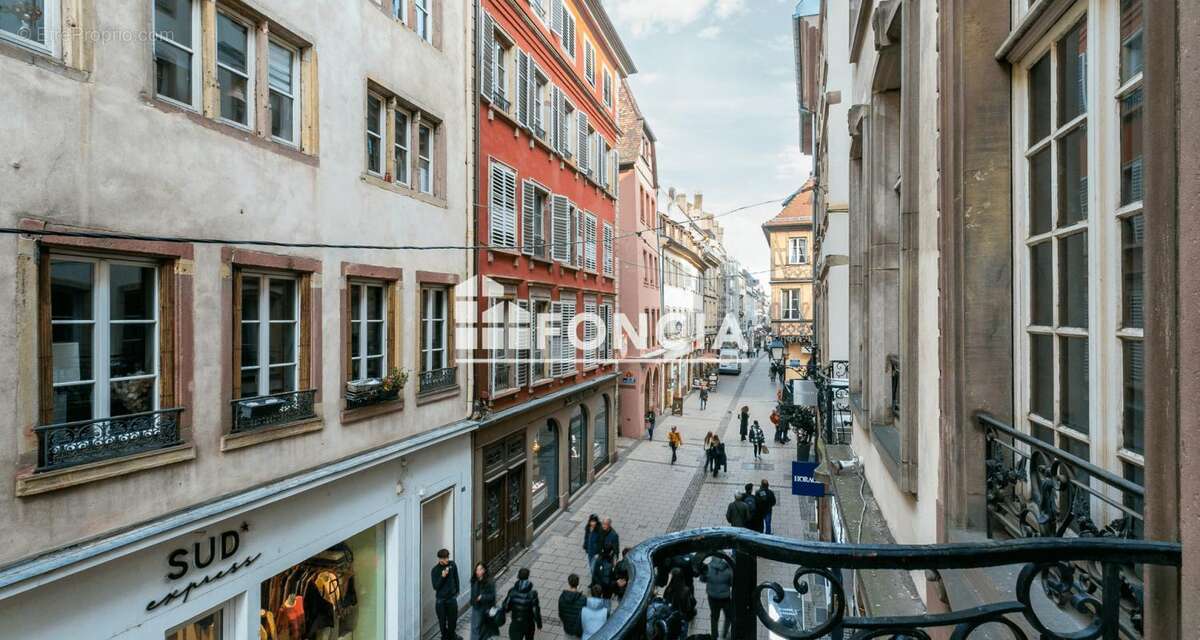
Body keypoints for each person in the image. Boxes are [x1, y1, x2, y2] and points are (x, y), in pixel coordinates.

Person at [700, 555, 733, 640]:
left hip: (712, 597)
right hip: (725, 597)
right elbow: (731, 583)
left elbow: (702, 579)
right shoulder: (728, 570)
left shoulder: (707, 568)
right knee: (729, 616)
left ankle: (714, 636)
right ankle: (724, 634)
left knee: (714, 617)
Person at [431, 549, 462, 640]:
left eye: (447, 557)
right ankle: (444, 637)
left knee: (453, 620)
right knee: (442, 621)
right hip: (441, 600)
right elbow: (435, 586)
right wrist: (442, 576)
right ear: (439, 559)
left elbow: (456, 578)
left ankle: (452, 636)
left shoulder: (452, 564)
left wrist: (457, 591)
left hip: (451, 598)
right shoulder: (435, 570)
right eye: (444, 558)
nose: (447, 560)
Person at [504, 568, 543, 640]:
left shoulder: (512, 591)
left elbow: (506, 607)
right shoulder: (532, 594)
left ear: (518, 576)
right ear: (528, 577)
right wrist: (539, 624)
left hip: (516, 622)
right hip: (528, 623)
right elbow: (536, 610)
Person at [662, 567, 697, 639]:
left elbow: (664, 599)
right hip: (682, 617)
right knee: (682, 634)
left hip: (671, 616)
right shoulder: (685, 590)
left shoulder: (669, 589)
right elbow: (688, 607)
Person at [470, 562, 498, 640]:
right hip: (476, 607)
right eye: (477, 569)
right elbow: (473, 593)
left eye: (480, 569)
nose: (478, 572)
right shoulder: (474, 580)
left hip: (486, 608)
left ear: (484, 570)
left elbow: (492, 596)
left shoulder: (490, 582)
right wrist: (472, 601)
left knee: (485, 629)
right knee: (475, 628)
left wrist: (482, 597)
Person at [557, 574, 587, 640]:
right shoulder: (583, 599)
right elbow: (584, 615)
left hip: (567, 629)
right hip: (578, 631)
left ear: (569, 583)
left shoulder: (562, 597)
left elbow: (560, 614)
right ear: (578, 583)